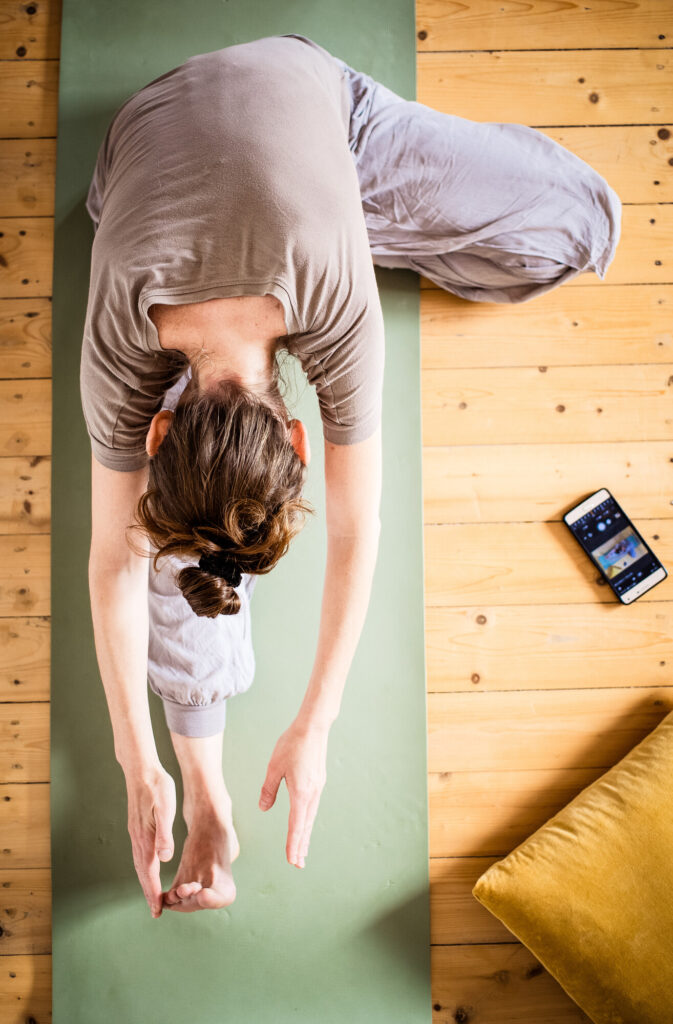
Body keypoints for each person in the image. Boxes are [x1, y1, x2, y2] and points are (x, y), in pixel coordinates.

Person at [81, 32, 621, 917]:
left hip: (321, 108)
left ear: (295, 439)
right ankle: (206, 786)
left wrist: (317, 722)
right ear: (300, 437)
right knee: (190, 540)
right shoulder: (131, 342)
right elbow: (117, 556)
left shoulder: (332, 309)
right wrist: (141, 761)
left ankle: (343, 197)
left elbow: (356, 529)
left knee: (570, 230)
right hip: (142, 145)